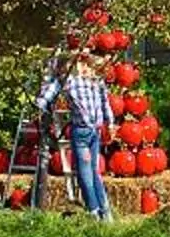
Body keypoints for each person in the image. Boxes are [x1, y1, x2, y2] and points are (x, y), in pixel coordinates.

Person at [38, 46, 116, 219]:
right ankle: (103, 213)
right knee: (90, 173)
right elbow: (105, 105)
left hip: (87, 133)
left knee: (87, 174)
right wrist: (109, 123)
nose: (85, 66)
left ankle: (97, 213)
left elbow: (49, 92)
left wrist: (40, 104)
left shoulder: (81, 81)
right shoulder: (86, 81)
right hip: (88, 132)